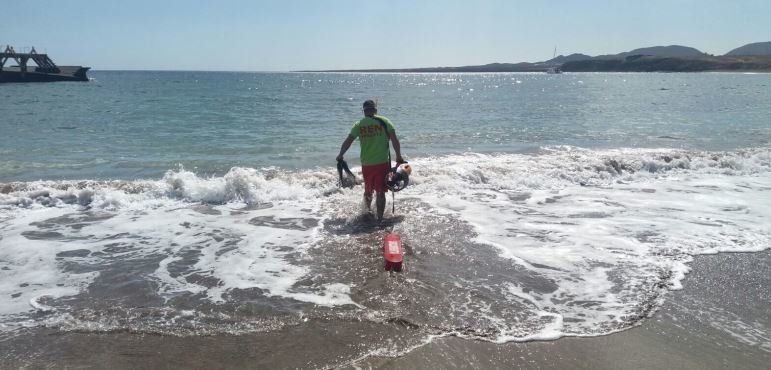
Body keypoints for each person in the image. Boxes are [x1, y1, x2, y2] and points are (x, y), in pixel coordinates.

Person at [336, 100, 404, 222]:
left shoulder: (359, 124)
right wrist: (398, 156)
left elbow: (348, 141)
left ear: (364, 111)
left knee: (368, 189)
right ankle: (379, 219)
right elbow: (394, 140)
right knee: (380, 192)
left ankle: (367, 213)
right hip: (382, 163)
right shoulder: (385, 121)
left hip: (366, 164)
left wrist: (340, 155)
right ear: (375, 110)